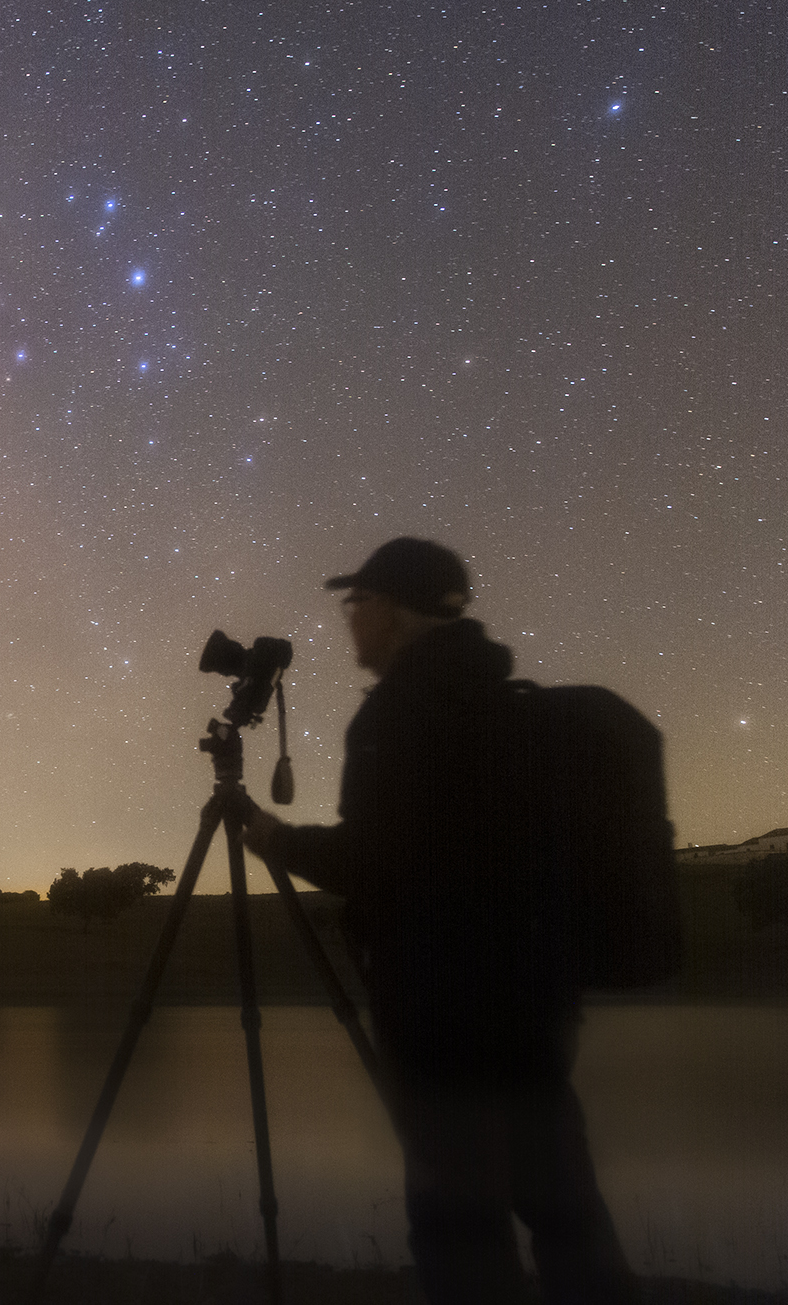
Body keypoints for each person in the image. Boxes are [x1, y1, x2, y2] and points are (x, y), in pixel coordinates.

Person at [239, 537, 638, 1305]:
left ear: (392, 609)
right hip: (536, 1006)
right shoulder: (506, 703)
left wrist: (273, 839)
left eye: (358, 603)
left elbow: (376, 859)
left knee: (459, 1229)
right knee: (567, 1216)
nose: (350, 618)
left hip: (441, 1015)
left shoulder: (400, 712)